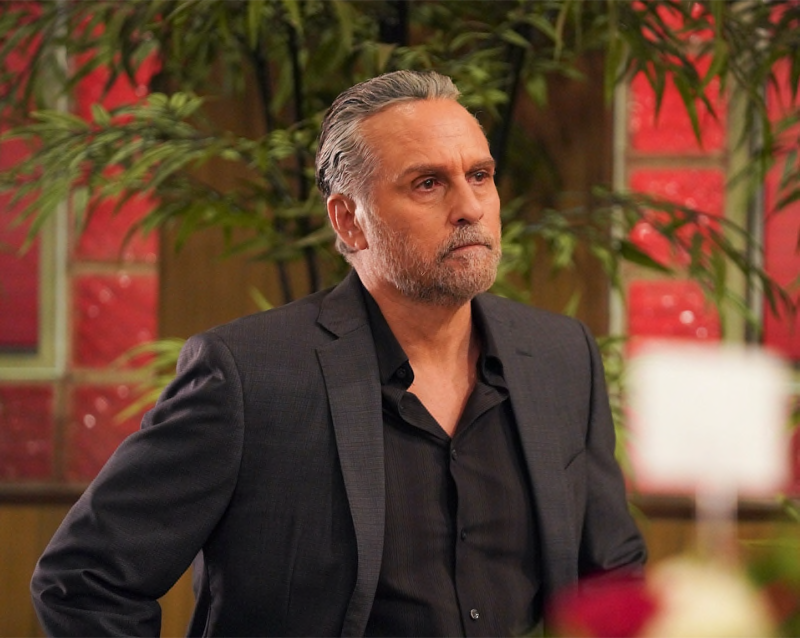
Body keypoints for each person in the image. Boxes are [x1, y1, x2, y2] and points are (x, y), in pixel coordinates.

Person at [31, 70, 646, 637]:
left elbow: (613, 573)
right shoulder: (249, 375)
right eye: (428, 183)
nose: (469, 208)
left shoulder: (560, 356)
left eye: (480, 176)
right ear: (349, 220)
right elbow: (83, 581)